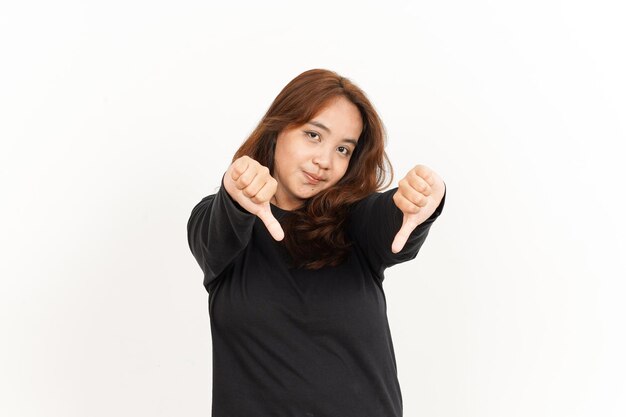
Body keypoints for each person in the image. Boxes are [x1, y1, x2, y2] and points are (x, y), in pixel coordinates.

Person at [187, 68, 447, 417]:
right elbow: (215, 235)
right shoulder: (223, 226)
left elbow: (390, 219)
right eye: (313, 135)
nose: (324, 161)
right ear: (278, 129)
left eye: (343, 149)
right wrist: (234, 194)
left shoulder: (355, 223)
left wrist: (422, 201)